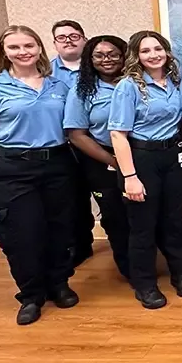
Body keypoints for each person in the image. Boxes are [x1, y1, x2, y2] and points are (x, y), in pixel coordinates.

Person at [0, 25, 80, 325]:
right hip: (12, 169)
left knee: (61, 228)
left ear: (39, 48)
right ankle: (31, 295)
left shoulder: (58, 85)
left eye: (29, 45)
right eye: (15, 47)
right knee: (22, 234)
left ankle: (59, 284)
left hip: (58, 164)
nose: (23, 52)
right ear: (4, 51)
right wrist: (1, 157)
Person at [108, 30, 182, 309]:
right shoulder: (128, 87)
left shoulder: (174, 83)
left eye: (158, 49)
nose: (153, 55)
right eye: (145, 51)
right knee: (143, 226)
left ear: (167, 51)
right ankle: (145, 284)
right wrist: (130, 178)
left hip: (172, 156)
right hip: (141, 158)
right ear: (136, 56)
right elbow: (118, 135)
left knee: (173, 220)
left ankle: (179, 273)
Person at [64, 35, 132, 279]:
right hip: (103, 159)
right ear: (89, 60)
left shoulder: (136, 83)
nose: (107, 60)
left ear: (124, 56)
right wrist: (114, 161)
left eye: (114, 54)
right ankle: (128, 268)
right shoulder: (82, 89)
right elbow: (76, 134)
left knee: (147, 211)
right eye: (99, 55)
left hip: (140, 155)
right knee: (116, 216)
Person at [51, 19, 95, 266]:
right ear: (55, 43)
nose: (68, 40)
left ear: (84, 39)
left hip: (97, 143)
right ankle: (80, 244)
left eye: (74, 36)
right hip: (64, 145)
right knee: (71, 198)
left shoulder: (98, 66)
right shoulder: (45, 72)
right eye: (62, 37)